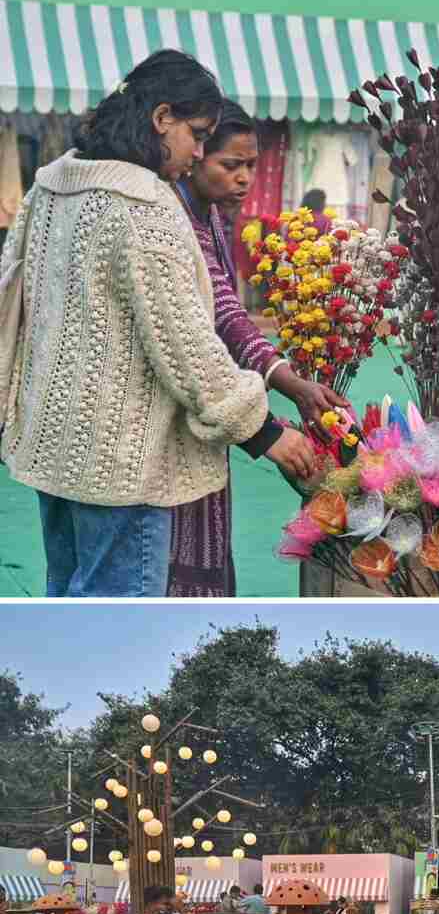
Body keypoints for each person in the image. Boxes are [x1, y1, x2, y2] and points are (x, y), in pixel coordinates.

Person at [0, 49, 316, 597]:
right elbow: (187, 343)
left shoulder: (51, 186)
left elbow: (13, 304)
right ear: (161, 118)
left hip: (51, 449)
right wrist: (264, 433)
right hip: (121, 468)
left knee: (70, 605)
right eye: (197, 134)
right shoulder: (143, 204)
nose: (197, 153)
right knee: (116, 621)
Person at [171, 101, 347, 596]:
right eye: (231, 165)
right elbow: (217, 324)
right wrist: (269, 422)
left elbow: (230, 317)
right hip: (176, 420)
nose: (245, 178)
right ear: (193, 154)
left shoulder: (207, 217)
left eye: (252, 166)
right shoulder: (175, 222)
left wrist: (292, 384)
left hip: (206, 415)